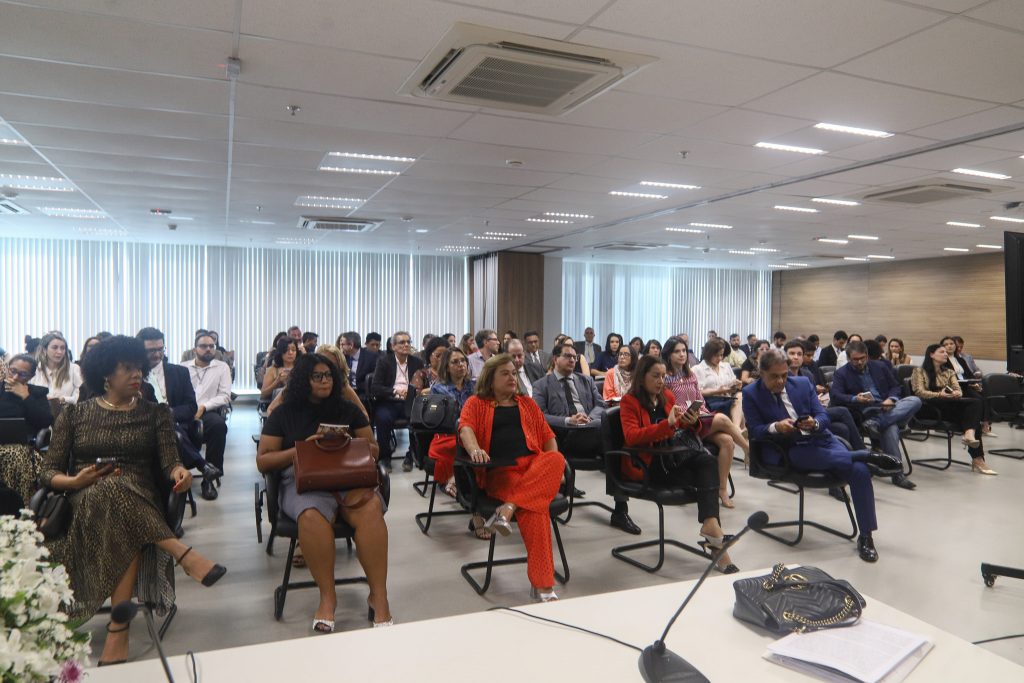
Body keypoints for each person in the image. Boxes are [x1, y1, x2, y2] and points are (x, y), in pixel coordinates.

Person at [42, 335, 226, 665]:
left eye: (139, 368)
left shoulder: (155, 414)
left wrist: (181, 473)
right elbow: (48, 471)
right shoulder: (75, 415)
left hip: (140, 493)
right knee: (108, 493)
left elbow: (171, 462)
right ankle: (181, 556)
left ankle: (119, 628)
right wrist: (74, 480)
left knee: (118, 499)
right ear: (105, 375)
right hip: (85, 496)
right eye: (127, 369)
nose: (137, 374)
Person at [258, 354, 391, 632]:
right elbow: (264, 460)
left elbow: (375, 450)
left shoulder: (347, 409)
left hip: (349, 478)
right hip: (305, 483)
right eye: (317, 376)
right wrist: (303, 450)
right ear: (303, 380)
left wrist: (349, 445)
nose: (325, 381)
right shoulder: (284, 412)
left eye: (329, 375)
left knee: (370, 510)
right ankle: (327, 597)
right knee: (310, 516)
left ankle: (379, 596)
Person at [742, 349, 901, 563]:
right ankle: (865, 455)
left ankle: (866, 536)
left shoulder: (802, 384)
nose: (781, 381)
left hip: (821, 441)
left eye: (784, 375)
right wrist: (775, 428)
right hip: (787, 450)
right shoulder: (751, 393)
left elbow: (823, 416)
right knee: (806, 455)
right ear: (761, 373)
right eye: (774, 376)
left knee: (859, 472)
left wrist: (815, 423)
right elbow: (755, 431)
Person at [459, 354, 567, 602]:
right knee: (536, 510)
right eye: (505, 373)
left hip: (533, 468)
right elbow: (466, 428)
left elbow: (548, 437)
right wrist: (475, 449)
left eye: (514, 373)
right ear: (490, 378)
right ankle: (543, 587)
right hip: (502, 472)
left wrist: (553, 472)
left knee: (556, 459)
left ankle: (507, 509)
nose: (512, 377)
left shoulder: (526, 404)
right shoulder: (476, 403)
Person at [619, 355, 738, 573]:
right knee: (707, 481)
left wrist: (692, 421)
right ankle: (717, 545)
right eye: (655, 376)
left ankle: (711, 527)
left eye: (663, 376)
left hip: (672, 457)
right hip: (647, 464)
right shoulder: (630, 401)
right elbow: (632, 437)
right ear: (641, 377)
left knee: (707, 462)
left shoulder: (666, 396)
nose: (661, 381)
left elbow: (679, 428)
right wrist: (668, 424)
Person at [533, 342, 640, 535]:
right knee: (614, 442)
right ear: (555, 359)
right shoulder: (542, 385)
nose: (572, 360)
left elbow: (600, 405)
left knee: (614, 448)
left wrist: (590, 417)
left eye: (575, 357)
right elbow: (539, 416)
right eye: (567, 356)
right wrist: (568, 420)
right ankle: (624, 498)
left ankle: (620, 511)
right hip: (564, 437)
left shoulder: (586, 380)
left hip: (593, 430)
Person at [662, 338, 749, 507]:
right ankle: (748, 449)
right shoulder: (666, 377)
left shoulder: (690, 374)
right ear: (669, 354)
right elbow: (668, 406)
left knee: (727, 441)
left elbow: (699, 399)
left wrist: (701, 411)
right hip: (682, 423)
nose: (682, 355)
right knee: (723, 419)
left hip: (698, 417)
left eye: (684, 351)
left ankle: (722, 490)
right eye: (677, 351)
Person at [136, 327, 222, 498]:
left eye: (160, 349)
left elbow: (191, 407)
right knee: (172, 432)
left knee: (173, 429)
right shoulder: (133, 373)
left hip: (177, 424)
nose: (157, 354)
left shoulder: (179, 372)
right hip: (145, 428)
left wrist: (168, 413)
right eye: (151, 350)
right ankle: (202, 465)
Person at [830, 341, 921, 490]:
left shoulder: (880, 366)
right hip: (865, 411)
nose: (859, 362)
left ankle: (877, 422)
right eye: (855, 359)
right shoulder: (842, 373)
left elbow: (895, 387)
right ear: (848, 358)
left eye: (862, 358)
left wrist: (891, 399)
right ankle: (897, 474)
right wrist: (854, 398)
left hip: (887, 407)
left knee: (915, 400)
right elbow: (836, 395)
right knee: (891, 428)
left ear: (867, 355)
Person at [911, 344, 995, 475]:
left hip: (947, 406)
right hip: (929, 408)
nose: (946, 354)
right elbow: (919, 392)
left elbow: (958, 389)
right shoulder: (919, 371)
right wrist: (940, 394)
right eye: (942, 352)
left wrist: (956, 393)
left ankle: (970, 436)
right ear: (931, 354)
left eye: (946, 352)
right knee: (972, 418)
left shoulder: (949, 372)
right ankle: (977, 458)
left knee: (975, 404)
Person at [426, 348, 480, 519]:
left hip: (474, 433)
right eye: (455, 362)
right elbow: (440, 420)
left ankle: (458, 483)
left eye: (463, 361)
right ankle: (466, 493)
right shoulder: (439, 388)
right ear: (447, 367)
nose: (460, 365)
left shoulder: (475, 385)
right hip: (448, 435)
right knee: (463, 448)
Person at [182, 333, 232, 498]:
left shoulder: (222, 367)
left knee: (218, 426)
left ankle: (209, 479)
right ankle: (181, 471)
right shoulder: (183, 367)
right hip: (184, 411)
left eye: (211, 346)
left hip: (208, 411)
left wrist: (203, 407)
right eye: (204, 346)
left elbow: (225, 395)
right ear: (195, 349)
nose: (208, 349)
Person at [0, 354, 52, 504]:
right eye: (12, 371)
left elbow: (45, 421)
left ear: (31, 376)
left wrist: (25, 397)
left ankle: (13, 507)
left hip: (24, 447)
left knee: (13, 455)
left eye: (22, 374)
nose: (15, 377)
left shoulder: (37, 393)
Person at [371, 331, 425, 472]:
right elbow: (375, 387)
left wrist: (413, 392)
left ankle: (410, 456)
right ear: (393, 346)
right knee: (382, 419)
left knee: (419, 420)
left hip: (411, 402)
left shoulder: (417, 362)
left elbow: (423, 384)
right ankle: (385, 458)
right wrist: (394, 391)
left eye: (408, 342)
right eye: (402, 342)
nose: (406, 345)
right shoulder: (384, 361)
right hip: (390, 401)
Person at [693, 339, 745, 429]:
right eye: (716, 355)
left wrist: (736, 384)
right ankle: (738, 430)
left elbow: (732, 382)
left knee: (740, 395)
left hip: (727, 397)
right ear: (708, 354)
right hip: (710, 401)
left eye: (721, 355)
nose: (720, 358)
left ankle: (736, 428)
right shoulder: (697, 369)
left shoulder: (726, 366)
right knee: (739, 408)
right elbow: (697, 392)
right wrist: (717, 391)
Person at [30, 332, 84, 408]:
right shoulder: (35, 369)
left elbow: (81, 396)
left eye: (62, 348)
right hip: (40, 413)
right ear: (45, 350)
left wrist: (63, 399)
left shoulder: (74, 368)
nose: (59, 352)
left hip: (66, 414)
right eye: (55, 347)